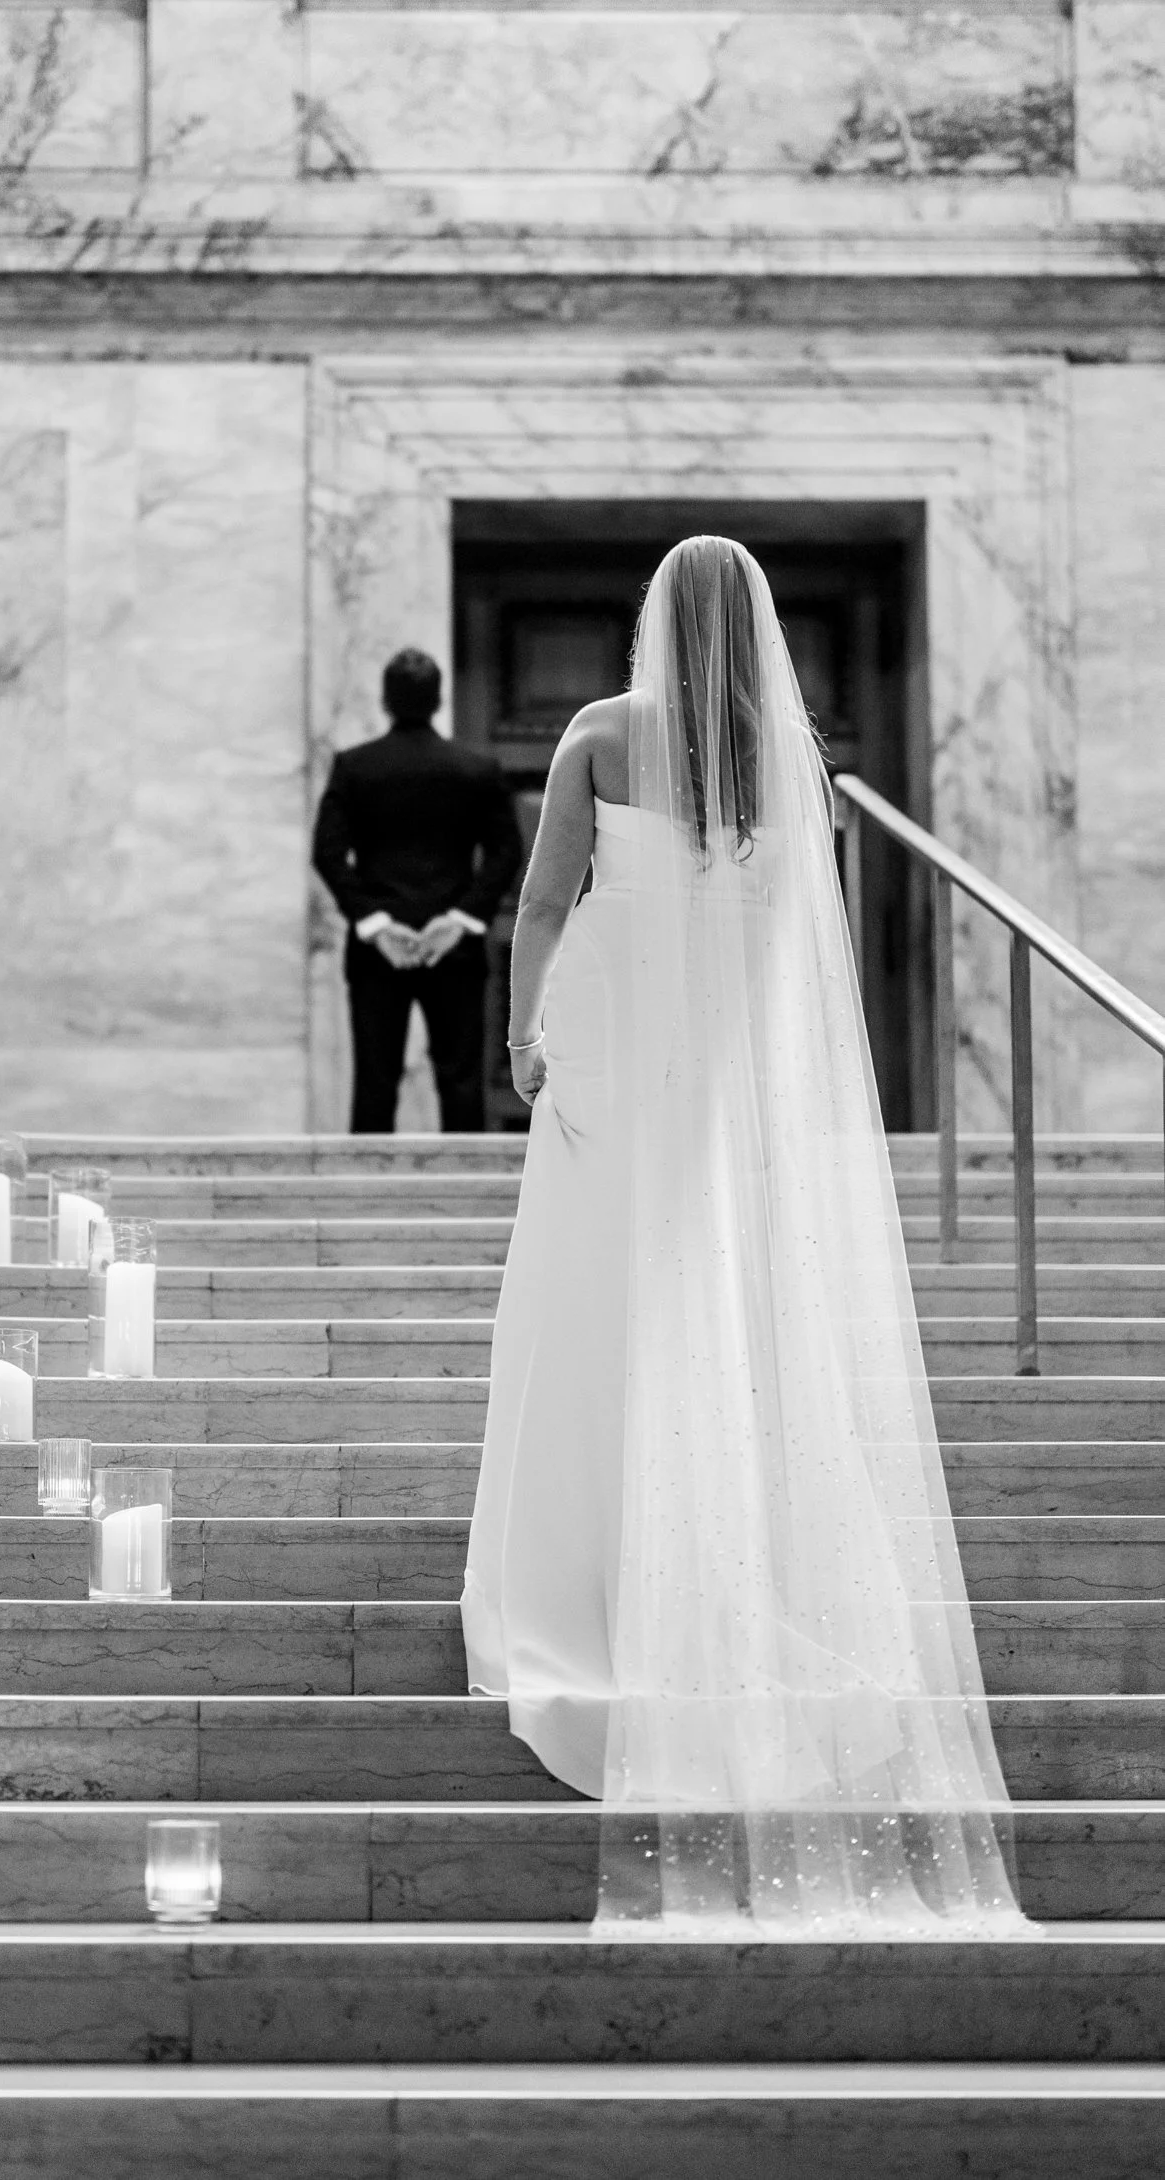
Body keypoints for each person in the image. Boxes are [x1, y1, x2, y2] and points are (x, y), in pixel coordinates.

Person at [462, 537, 1028, 1935]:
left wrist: (524, 1045)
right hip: (716, 1078)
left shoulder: (596, 733)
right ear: (762, 627)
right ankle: (728, 1581)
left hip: (603, 1051)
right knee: (708, 1316)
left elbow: (540, 903)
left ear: (655, 617)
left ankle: (578, 1592)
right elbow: (791, 953)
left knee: (586, 1318)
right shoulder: (793, 762)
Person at [313, 647, 523, 1134]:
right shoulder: (476, 768)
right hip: (455, 948)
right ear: (438, 700)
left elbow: (326, 853)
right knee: (463, 1080)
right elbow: (506, 854)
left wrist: (376, 923)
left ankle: (363, 1200)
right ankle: (466, 1198)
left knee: (374, 1082)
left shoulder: (354, 767)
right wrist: (461, 920)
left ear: (385, 701)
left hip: (376, 951)